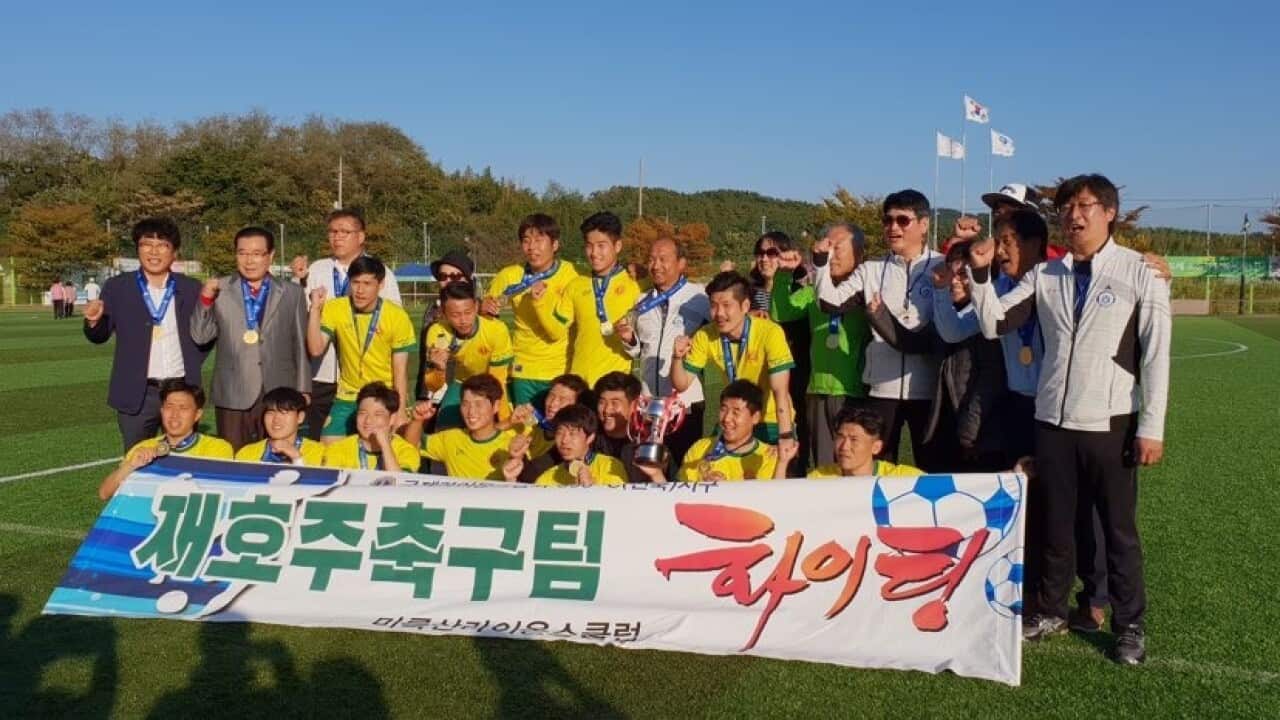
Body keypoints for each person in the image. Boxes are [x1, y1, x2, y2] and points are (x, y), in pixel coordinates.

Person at [968, 174, 1171, 665]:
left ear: (1109, 213)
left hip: (1112, 422)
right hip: (1052, 421)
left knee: (1118, 531)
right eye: (1067, 208)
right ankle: (1053, 611)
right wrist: (977, 276)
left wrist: (1152, 425)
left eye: (1085, 206)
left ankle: (1130, 626)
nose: (1075, 216)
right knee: (1057, 524)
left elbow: (1157, 355)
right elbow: (995, 323)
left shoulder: (1141, 272)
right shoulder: (1047, 275)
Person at [814, 189, 945, 468]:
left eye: (902, 220)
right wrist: (821, 263)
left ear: (924, 225)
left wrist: (882, 318)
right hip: (882, 390)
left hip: (930, 390)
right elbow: (829, 302)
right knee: (879, 469)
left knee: (931, 468)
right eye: (887, 220)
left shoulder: (942, 266)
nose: (893, 227)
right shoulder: (872, 269)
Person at [864, 239, 1008, 471]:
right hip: (946, 423)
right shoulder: (944, 313)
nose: (955, 281)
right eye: (951, 272)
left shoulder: (986, 318)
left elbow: (990, 379)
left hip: (981, 432)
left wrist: (970, 430)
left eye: (964, 274)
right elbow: (914, 343)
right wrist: (880, 315)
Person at [84, 218, 210, 452]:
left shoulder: (191, 288)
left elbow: (206, 334)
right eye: (146, 244)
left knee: (184, 460)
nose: (153, 251)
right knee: (137, 462)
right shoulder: (117, 287)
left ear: (174, 252)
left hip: (181, 388)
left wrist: (192, 362)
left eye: (162, 245)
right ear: (137, 249)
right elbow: (99, 336)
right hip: (138, 394)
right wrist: (94, 321)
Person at [190, 226, 311, 451]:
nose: (249, 261)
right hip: (233, 393)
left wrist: (303, 388)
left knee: (277, 457)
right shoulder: (220, 289)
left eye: (257, 254)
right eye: (242, 253)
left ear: (271, 255)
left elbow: (300, 346)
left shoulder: (292, 293)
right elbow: (200, 336)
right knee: (234, 460)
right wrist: (205, 300)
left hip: (278, 391)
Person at [772, 223, 872, 470]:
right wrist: (783, 275)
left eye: (838, 248)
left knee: (855, 464)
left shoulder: (865, 292)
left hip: (854, 392)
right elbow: (781, 312)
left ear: (858, 255)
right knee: (825, 466)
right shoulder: (812, 293)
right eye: (827, 247)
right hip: (817, 390)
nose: (830, 255)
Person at [671, 271, 798, 454]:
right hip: (735, 420)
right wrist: (676, 358)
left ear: (745, 305)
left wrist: (785, 434)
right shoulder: (705, 335)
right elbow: (681, 384)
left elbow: (780, 390)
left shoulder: (770, 332)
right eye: (713, 306)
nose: (719, 313)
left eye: (726, 305)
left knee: (772, 478)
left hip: (770, 419)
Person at [303, 210, 403, 440]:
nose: (337, 237)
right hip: (323, 373)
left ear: (360, 237)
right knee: (324, 441)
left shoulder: (382, 272)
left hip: (369, 378)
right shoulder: (316, 269)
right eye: (333, 232)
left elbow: (393, 323)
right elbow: (302, 318)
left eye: (344, 232)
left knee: (370, 441)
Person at [616, 235, 709, 464]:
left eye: (663, 259)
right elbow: (640, 351)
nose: (656, 265)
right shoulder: (642, 301)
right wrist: (629, 340)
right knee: (651, 467)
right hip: (649, 402)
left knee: (686, 466)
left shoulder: (700, 297)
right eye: (652, 259)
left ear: (681, 263)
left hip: (686, 403)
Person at [307, 256, 416, 444]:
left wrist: (399, 412)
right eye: (355, 282)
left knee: (381, 447)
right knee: (328, 446)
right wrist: (315, 309)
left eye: (367, 283)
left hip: (382, 395)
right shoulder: (335, 308)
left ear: (380, 285)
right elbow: (316, 349)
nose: (360, 290)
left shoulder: (397, 316)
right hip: (347, 395)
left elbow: (400, 371)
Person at [482, 213, 580, 408]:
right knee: (525, 429)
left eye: (539, 240)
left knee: (558, 430)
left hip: (560, 369)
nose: (532, 247)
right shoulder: (509, 275)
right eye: (526, 241)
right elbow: (486, 317)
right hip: (522, 369)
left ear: (555, 245)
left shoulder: (574, 273)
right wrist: (481, 307)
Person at [532, 211, 641, 387]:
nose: (594, 253)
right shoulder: (576, 285)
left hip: (614, 387)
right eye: (589, 246)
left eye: (601, 245)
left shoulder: (636, 282)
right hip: (580, 384)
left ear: (618, 246)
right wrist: (539, 303)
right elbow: (556, 331)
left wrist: (642, 267)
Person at [98, 380, 233, 499]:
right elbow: (104, 493)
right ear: (162, 411)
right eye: (169, 407)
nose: (174, 414)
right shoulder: (143, 447)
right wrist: (131, 465)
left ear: (197, 414)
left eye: (183, 408)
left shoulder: (217, 448)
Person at [640, 380, 784, 483]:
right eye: (723, 409)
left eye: (736, 412)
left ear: (755, 417)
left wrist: (725, 493)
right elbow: (678, 500)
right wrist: (656, 474)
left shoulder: (768, 457)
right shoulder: (700, 448)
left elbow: (770, 506)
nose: (727, 418)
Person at [420, 281, 513, 430]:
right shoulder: (437, 332)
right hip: (462, 382)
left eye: (468, 313)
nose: (463, 320)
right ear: (443, 313)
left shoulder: (496, 330)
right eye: (455, 315)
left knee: (489, 429)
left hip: (492, 383)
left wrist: (505, 423)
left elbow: (498, 381)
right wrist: (438, 369)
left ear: (476, 307)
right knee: (444, 429)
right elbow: (433, 386)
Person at [404, 373, 521, 481]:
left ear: (496, 406)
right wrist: (417, 420)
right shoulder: (451, 438)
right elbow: (412, 444)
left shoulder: (512, 444)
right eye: (465, 404)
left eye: (478, 404)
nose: (471, 412)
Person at [504, 403, 628, 487]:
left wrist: (591, 490)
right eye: (560, 433)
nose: (564, 440)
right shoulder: (547, 478)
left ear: (590, 437)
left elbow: (617, 510)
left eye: (572, 433)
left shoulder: (611, 467)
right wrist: (511, 480)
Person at [590, 371, 677, 484]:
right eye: (602, 402)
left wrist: (656, 474)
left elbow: (672, 491)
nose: (606, 410)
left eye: (615, 403)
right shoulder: (589, 441)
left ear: (634, 405)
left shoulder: (649, 444)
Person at [504, 373, 592, 483]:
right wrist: (509, 421)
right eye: (551, 396)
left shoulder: (575, 441)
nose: (553, 403)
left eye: (562, 399)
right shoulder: (533, 427)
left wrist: (519, 457)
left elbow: (531, 475)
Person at [416, 249, 477, 402]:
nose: (449, 280)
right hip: (435, 391)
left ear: (468, 279)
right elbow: (426, 359)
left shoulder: (481, 310)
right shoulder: (432, 309)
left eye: (455, 276)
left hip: (471, 394)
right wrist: (422, 395)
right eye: (443, 276)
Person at [321, 382, 420, 471]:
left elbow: (400, 486)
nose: (368, 421)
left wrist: (385, 445)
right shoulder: (338, 450)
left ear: (392, 419)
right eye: (363, 413)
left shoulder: (406, 451)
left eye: (377, 414)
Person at [805, 407, 923, 478]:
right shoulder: (820, 478)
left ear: (876, 447)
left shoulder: (903, 478)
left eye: (854, 440)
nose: (844, 447)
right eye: (840, 437)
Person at [234, 387, 326, 466]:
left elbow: (311, 485)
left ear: (300, 417)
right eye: (270, 412)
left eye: (284, 412)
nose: (276, 420)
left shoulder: (317, 452)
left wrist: (296, 457)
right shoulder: (247, 453)